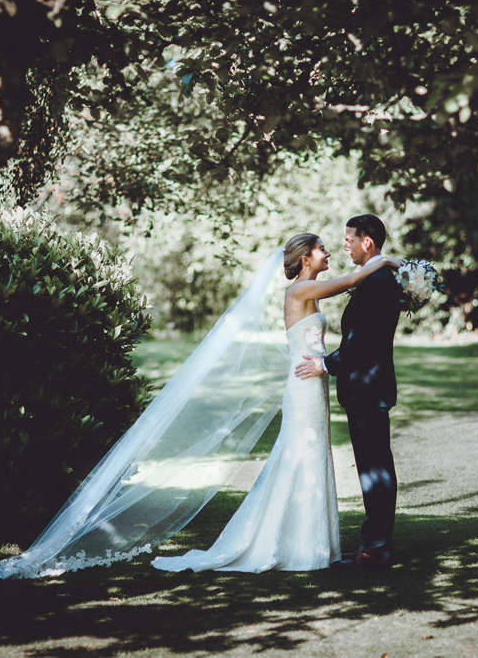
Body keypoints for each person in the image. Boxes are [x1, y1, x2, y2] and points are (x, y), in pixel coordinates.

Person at [152, 233, 402, 572]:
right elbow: (353, 279)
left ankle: (313, 543)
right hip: (304, 385)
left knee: (313, 454)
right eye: (322, 249)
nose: (328, 253)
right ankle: (295, 544)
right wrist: (385, 261)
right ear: (305, 259)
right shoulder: (299, 290)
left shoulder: (310, 288)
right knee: (302, 453)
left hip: (315, 382)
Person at [294, 215, 402, 569]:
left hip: (367, 389)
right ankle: (378, 542)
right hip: (369, 388)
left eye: (348, 239)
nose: (344, 246)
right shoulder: (377, 277)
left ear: (366, 242)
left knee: (374, 469)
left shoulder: (375, 281)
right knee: (375, 465)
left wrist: (325, 365)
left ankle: (375, 547)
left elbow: (361, 344)